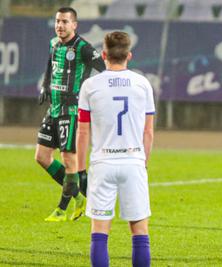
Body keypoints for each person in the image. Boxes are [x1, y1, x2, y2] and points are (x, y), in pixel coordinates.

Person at [76, 31, 155, 267]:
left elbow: (82, 132)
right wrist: (143, 163)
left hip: (102, 164)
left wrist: (80, 171)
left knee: (99, 230)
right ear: (129, 55)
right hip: (133, 161)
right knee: (139, 230)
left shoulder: (90, 86)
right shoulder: (143, 84)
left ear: (103, 55)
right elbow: (148, 132)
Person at [35, 7, 106, 222]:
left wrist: (92, 94)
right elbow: (50, 64)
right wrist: (46, 85)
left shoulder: (83, 48)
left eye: (65, 22)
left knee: (68, 160)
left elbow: (103, 69)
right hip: (53, 109)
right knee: (41, 157)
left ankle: (62, 208)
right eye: (57, 21)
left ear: (74, 25)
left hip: (71, 111)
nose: (60, 25)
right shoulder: (53, 43)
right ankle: (80, 196)